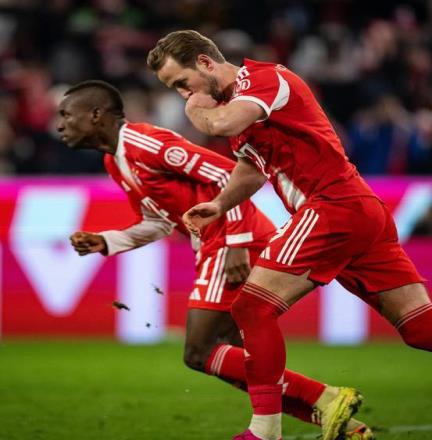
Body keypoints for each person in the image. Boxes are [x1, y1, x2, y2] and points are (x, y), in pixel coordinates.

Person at [146, 30, 432, 440]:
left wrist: (196, 110)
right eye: (176, 90)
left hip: (332, 206)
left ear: (206, 63)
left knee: (251, 309)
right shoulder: (241, 103)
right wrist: (221, 204)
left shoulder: (263, 79)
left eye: (182, 83)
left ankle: (264, 432)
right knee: (423, 328)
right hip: (357, 211)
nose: (183, 94)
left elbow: (223, 123)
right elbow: (254, 166)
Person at [58, 80, 374, 440]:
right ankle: (347, 426)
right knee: (241, 365)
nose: (60, 125)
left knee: (199, 351)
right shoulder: (115, 162)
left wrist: (237, 239)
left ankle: (323, 398)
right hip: (219, 242)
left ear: (96, 115)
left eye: (66, 115)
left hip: (231, 240)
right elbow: (159, 222)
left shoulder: (146, 143)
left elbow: (226, 174)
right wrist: (107, 241)